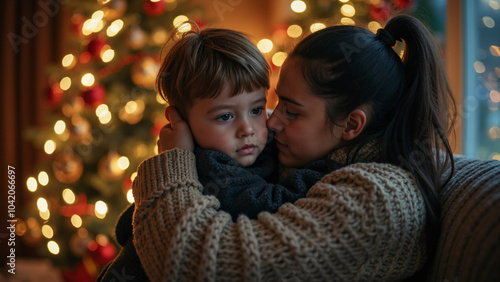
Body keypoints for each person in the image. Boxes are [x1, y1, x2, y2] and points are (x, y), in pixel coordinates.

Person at [131, 14, 456, 281]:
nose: (269, 123)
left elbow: (195, 268)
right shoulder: (311, 156)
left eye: (291, 110)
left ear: (352, 125)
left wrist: (174, 160)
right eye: (273, 105)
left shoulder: (377, 198)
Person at [98, 23, 338, 281]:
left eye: (256, 109)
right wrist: (323, 172)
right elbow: (270, 204)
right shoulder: (211, 165)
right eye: (225, 116)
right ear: (181, 119)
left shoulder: (254, 141)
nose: (247, 129)